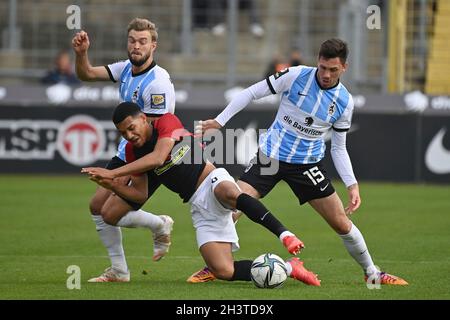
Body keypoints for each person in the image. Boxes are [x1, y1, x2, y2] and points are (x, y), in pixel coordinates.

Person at [194, 38, 408, 286]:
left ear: (344, 68)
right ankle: (214, 265)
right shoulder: (296, 76)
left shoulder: (344, 102)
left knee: (340, 222)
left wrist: (351, 183)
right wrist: (221, 121)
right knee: (233, 208)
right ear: (317, 61)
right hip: (270, 157)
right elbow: (252, 92)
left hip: (307, 165)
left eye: (333, 70)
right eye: (323, 67)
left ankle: (372, 272)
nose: (326, 74)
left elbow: (338, 147)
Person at [81, 102, 320, 286]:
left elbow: (157, 157)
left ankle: (285, 235)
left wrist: (112, 173)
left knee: (229, 192)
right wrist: (110, 185)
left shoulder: (166, 121)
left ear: (143, 119)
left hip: (212, 179)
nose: (129, 135)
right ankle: (290, 268)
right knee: (223, 271)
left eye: (131, 128)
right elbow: (140, 196)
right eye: (124, 133)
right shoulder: (134, 152)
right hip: (198, 206)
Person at [71, 18, 176, 282]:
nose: (136, 46)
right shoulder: (126, 69)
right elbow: (86, 74)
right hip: (128, 149)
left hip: (150, 154)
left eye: (143, 41)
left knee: (110, 213)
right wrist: (82, 54)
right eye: (132, 41)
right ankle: (119, 271)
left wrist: (120, 173)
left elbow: (154, 133)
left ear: (154, 45)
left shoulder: (158, 83)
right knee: (97, 207)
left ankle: (159, 225)